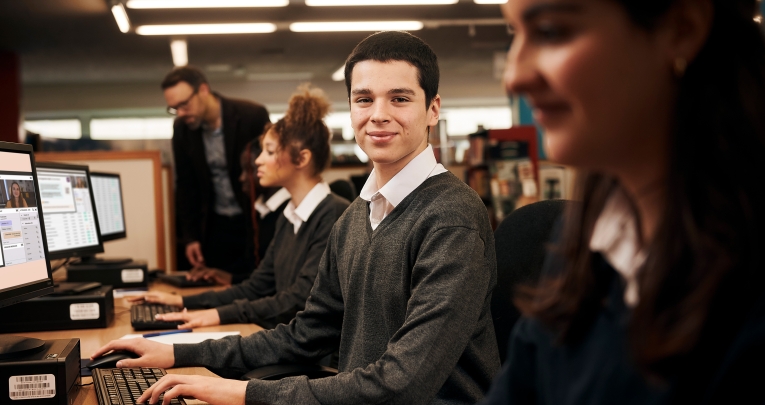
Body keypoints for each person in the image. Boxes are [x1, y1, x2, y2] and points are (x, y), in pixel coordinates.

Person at [93, 31, 499, 405]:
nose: (377, 114)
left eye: (399, 98)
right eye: (364, 99)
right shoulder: (357, 216)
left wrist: (244, 392)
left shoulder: (451, 218)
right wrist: (179, 353)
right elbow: (306, 335)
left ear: (433, 109)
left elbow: (403, 383)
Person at [481, 0, 765, 403]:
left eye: (550, 32)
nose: (514, 76)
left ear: (681, 29)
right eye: (514, 35)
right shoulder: (591, 237)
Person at [131, 84, 350, 330]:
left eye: (269, 151)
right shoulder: (289, 216)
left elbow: (298, 300)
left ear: (302, 158)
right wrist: (183, 301)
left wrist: (218, 315)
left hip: (310, 357)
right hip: (284, 339)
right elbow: (256, 287)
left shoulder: (334, 216)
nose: (258, 160)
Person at [165, 65, 270, 278]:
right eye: (174, 108)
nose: (181, 113)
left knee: (256, 282)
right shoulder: (182, 129)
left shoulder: (251, 116)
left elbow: (270, 171)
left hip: (253, 218)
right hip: (215, 226)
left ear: (203, 90)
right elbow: (185, 186)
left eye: (184, 104)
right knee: (216, 282)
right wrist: (190, 237)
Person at [185, 139, 291, 286]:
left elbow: (273, 284)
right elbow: (256, 272)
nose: (241, 178)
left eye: (249, 169)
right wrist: (222, 275)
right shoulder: (260, 212)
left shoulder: (289, 215)